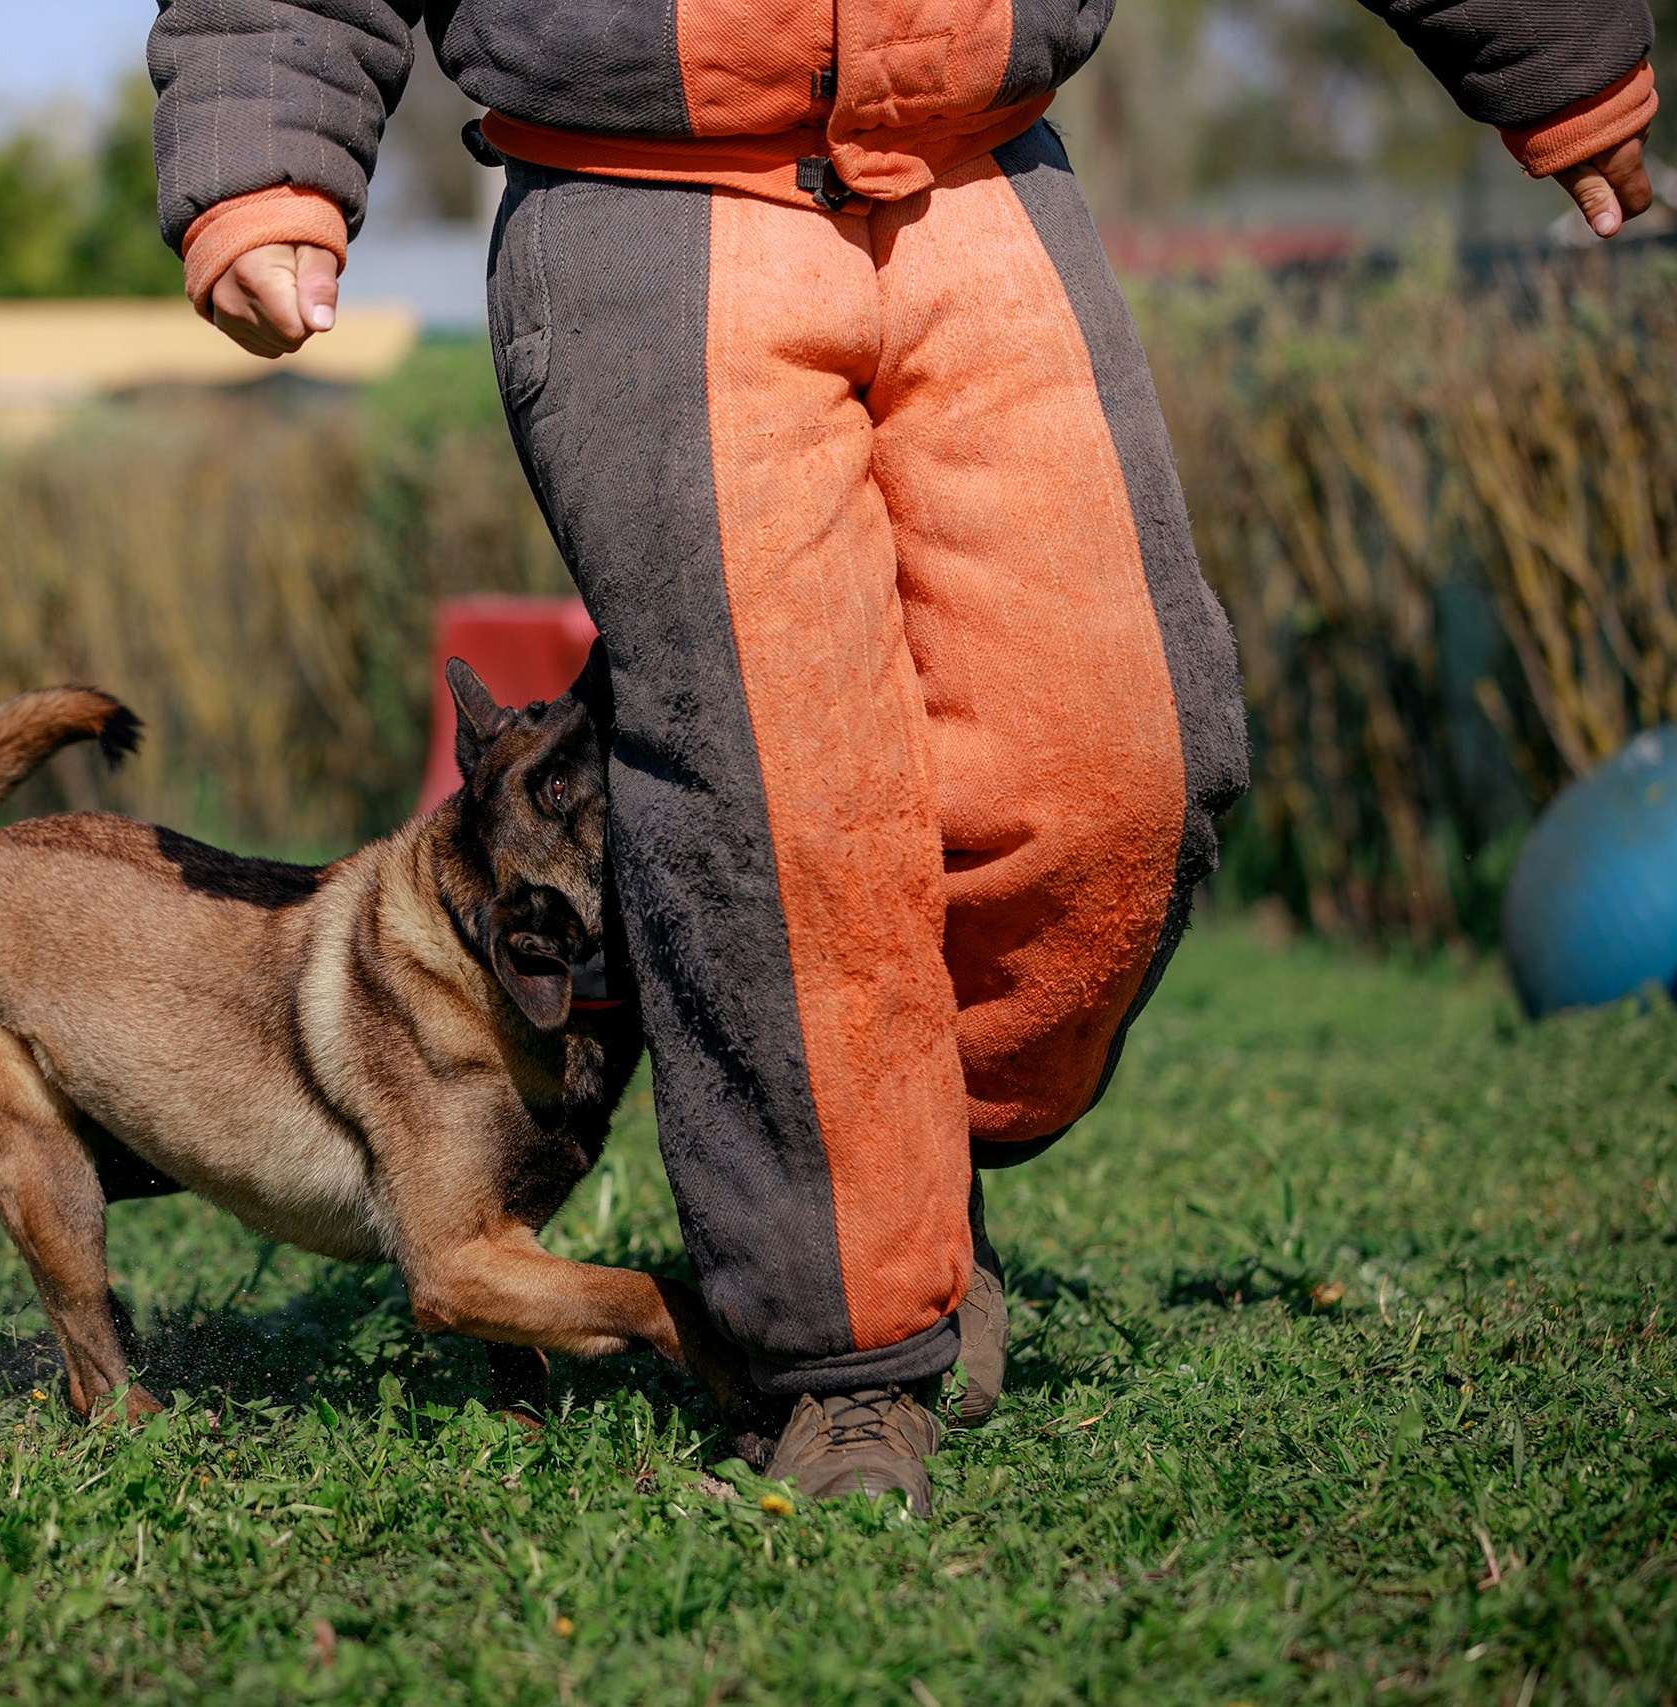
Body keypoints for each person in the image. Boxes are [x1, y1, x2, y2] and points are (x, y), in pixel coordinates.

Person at [145, 0, 1657, 1515]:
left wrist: (1552, 51)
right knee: (777, 804)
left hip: (985, 172)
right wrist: (263, 150)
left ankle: (911, 1175)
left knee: (1123, 762)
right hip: (646, 208)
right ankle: (843, 1357)